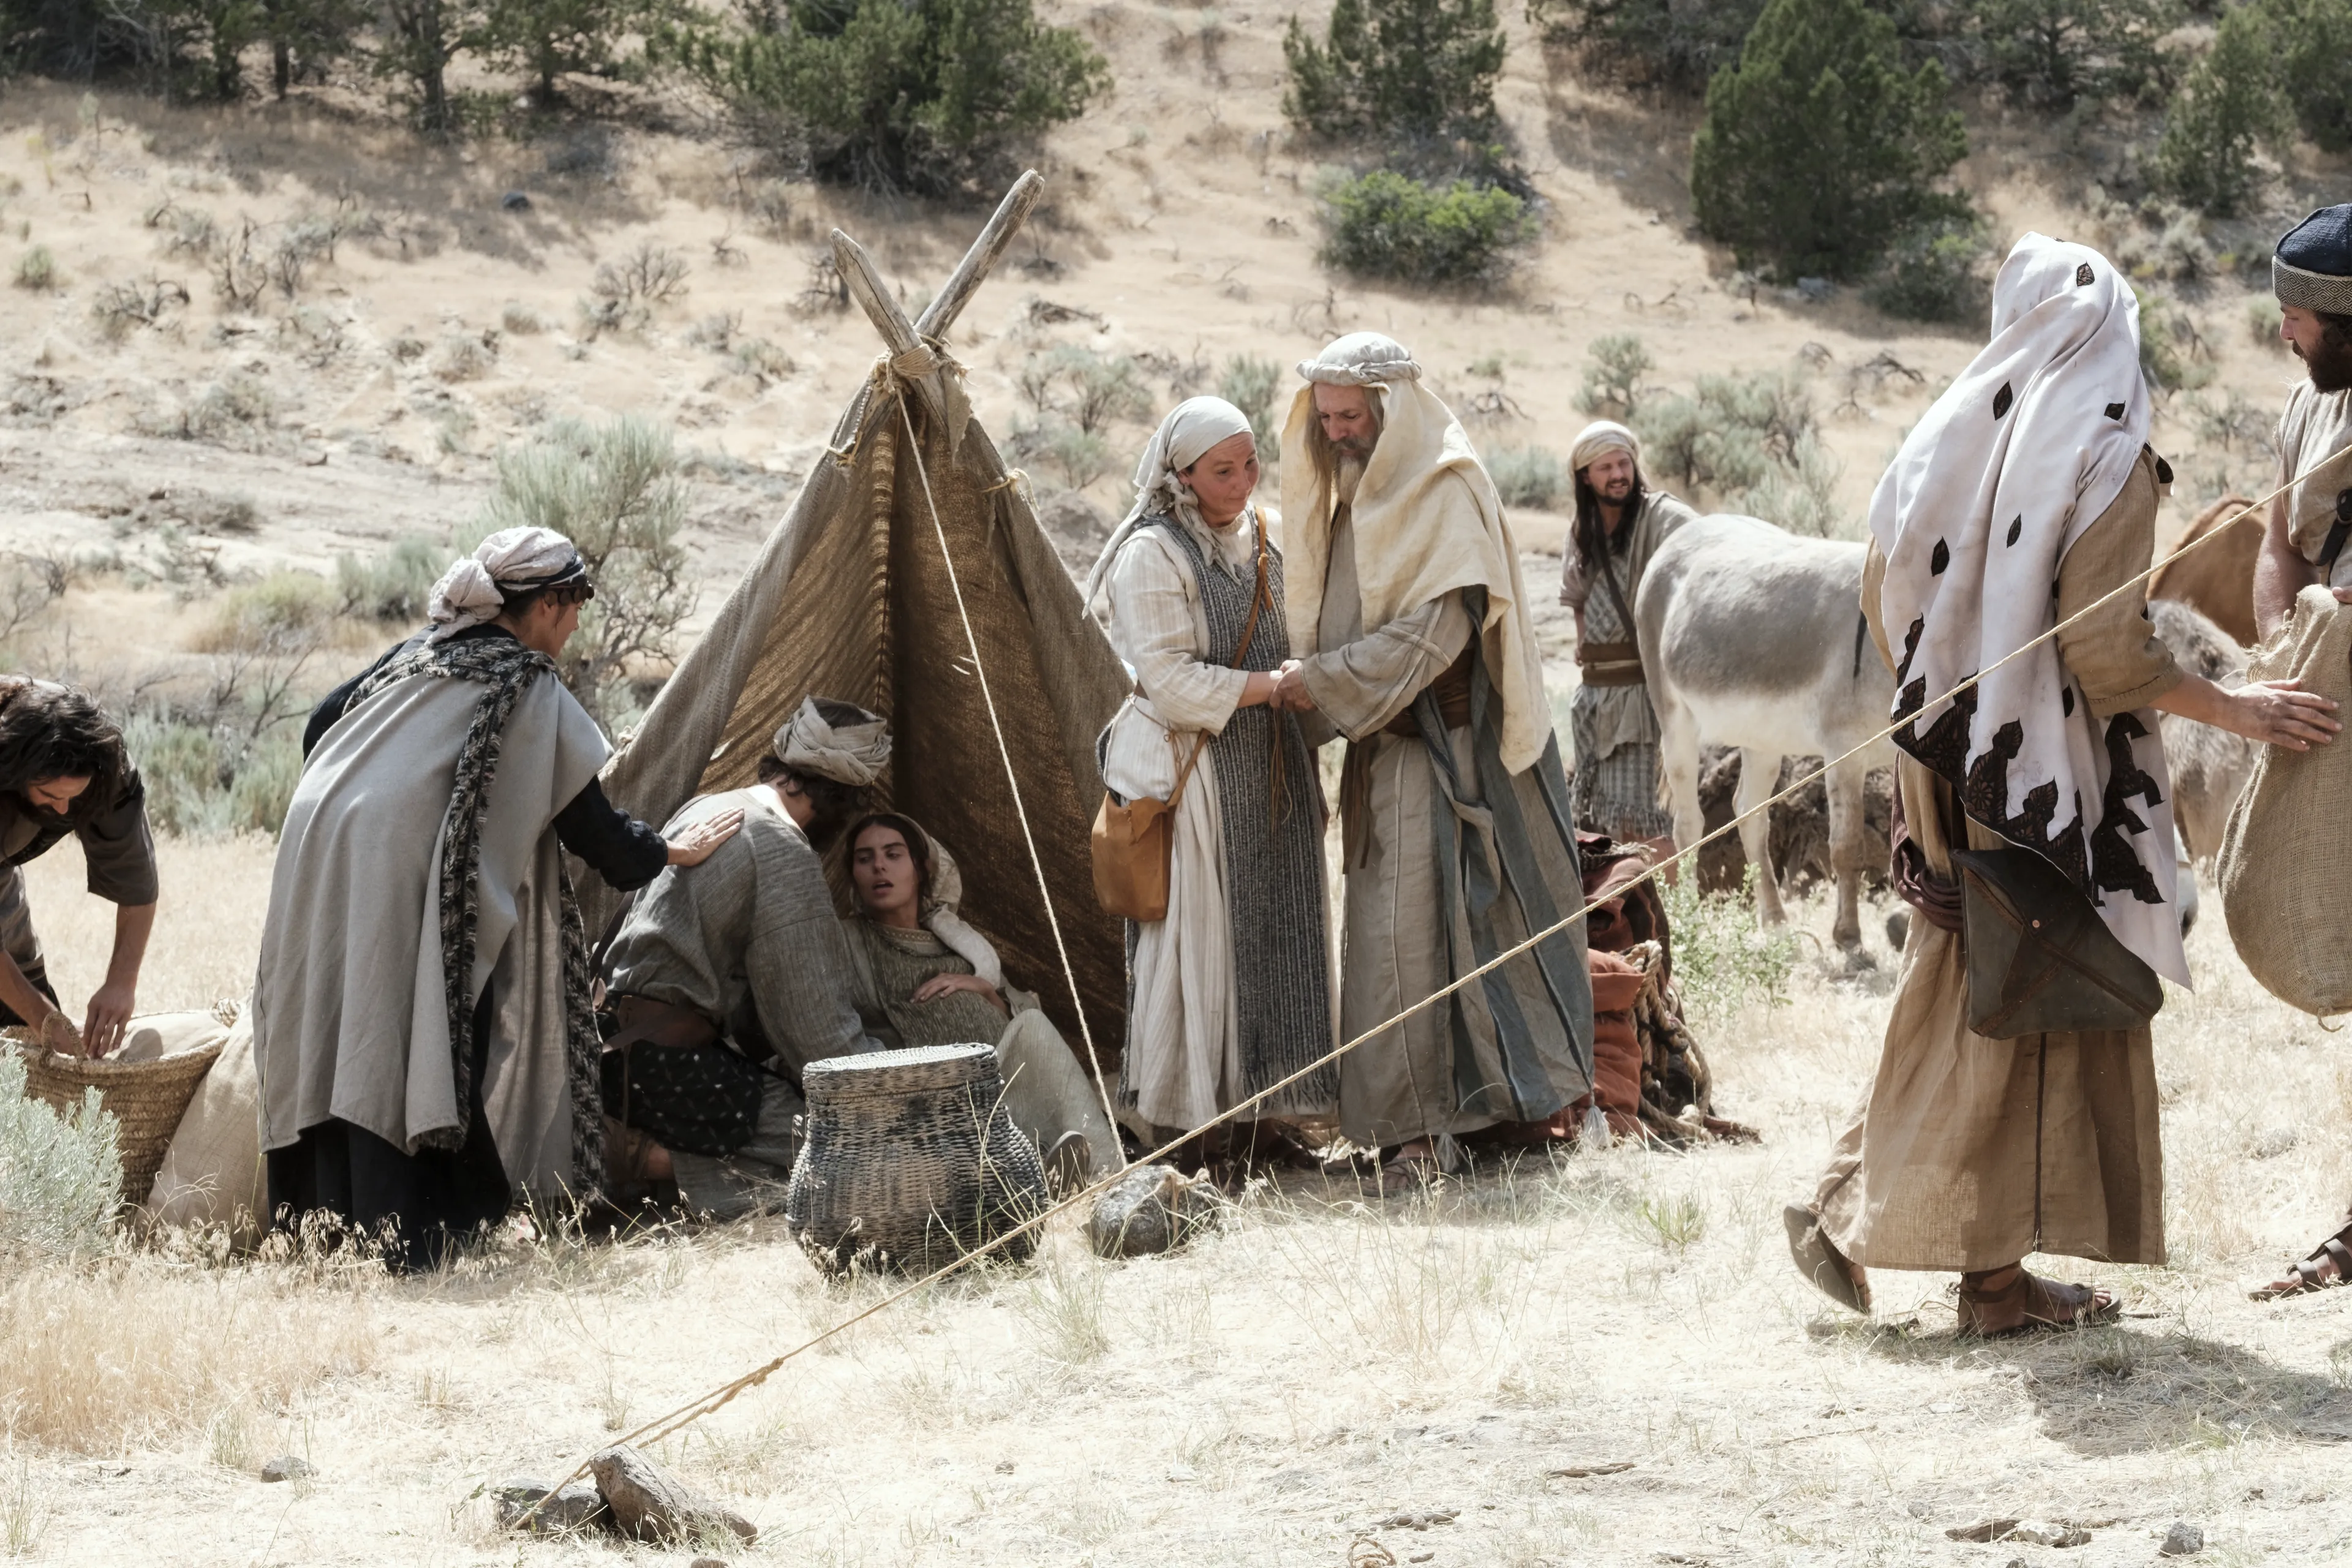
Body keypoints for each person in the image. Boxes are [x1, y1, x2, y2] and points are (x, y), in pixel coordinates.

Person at [1787, 235, 2335, 1333]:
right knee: (2017, 1003)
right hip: (2042, 776)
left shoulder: (1952, 435)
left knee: (1966, 983)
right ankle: (1941, 1260)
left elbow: (1890, 602)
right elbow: (2105, 652)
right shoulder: (2100, 448)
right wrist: (2240, 707)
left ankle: (1893, 1226)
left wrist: (1913, 784)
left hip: (1950, 761)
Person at [254, 527, 741, 1269]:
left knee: (341, 1025)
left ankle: (329, 1230)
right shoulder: (526, 684)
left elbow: (323, 725)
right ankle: (416, 1232)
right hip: (407, 884)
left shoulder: (417, 655)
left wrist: (380, 788)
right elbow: (598, 836)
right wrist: (671, 849)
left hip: (324, 859)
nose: (577, 622)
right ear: (546, 603)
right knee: (422, 1039)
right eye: (575, 603)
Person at [1269, 332, 1594, 1174]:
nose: (1337, 431)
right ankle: (1420, 1122)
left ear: (1390, 409)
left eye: (1351, 415)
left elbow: (1437, 634)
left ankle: (1436, 1128)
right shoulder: (1356, 497)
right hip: (1385, 751)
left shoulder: (1445, 490)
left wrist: (1326, 682)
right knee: (1394, 938)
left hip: (1444, 755)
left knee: (1426, 939)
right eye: (1328, 416)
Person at [1085, 396, 1336, 1156]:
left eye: (1251, 462)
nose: (1243, 479)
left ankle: (1268, 1117)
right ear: (1182, 476)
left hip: (1271, 768)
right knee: (1199, 944)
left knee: (1280, 933)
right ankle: (1191, 1127)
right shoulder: (1152, 553)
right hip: (1191, 776)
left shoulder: (1265, 537)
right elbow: (1165, 678)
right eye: (1223, 470)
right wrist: (1268, 687)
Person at [595, 695, 892, 1218]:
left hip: (616, 1053)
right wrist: (884, 1091)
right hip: (670, 1071)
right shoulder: (781, 849)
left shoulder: (710, 805)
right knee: (850, 1153)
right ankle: (643, 1161)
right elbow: (816, 1032)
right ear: (843, 796)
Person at [2245, 203, 2352, 1299]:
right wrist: (2286, 651)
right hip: (2331, 705)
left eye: (2302, 317)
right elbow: (2277, 545)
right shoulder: (2304, 412)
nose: (2287, 332)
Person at [838, 812, 1120, 1188]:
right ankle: (1053, 1175)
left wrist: (984, 989)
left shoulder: (958, 941)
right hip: (941, 1095)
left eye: (893, 854)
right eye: (864, 858)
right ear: (853, 874)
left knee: (1033, 1026)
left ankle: (1104, 1178)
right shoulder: (849, 941)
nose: (878, 867)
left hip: (1007, 1079)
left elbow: (1017, 1018)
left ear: (920, 869)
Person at [1558, 421, 1698, 859]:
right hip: (1595, 696)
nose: (1618, 474)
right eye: (1606, 467)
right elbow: (1576, 597)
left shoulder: (1662, 517)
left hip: (1643, 694)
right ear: (1585, 476)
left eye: (1624, 464)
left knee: (1647, 819)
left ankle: (1663, 918)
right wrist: (1584, 642)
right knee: (1602, 819)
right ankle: (1621, 916)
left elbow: (1707, 546)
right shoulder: (1583, 530)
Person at [0, 680, 157, 1057]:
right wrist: (41, 1017)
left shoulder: (105, 763)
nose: (63, 812)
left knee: (21, 978)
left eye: (74, 796)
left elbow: (137, 883)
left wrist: (121, 982)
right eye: (52, 796)